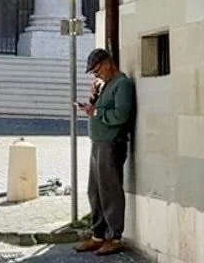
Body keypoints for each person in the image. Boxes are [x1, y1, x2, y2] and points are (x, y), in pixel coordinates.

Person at [75, 47, 136, 256]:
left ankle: (114, 237)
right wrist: (92, 100)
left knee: (110, 191)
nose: (96, 74)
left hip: (111, 144)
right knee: (95, 191)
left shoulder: (122, 84)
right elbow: (100, 109)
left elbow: (122, 114)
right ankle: (98, 235)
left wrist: (97, 111)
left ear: (108, 64)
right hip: (99, 143)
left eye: (97, 70)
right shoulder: (107, 84)